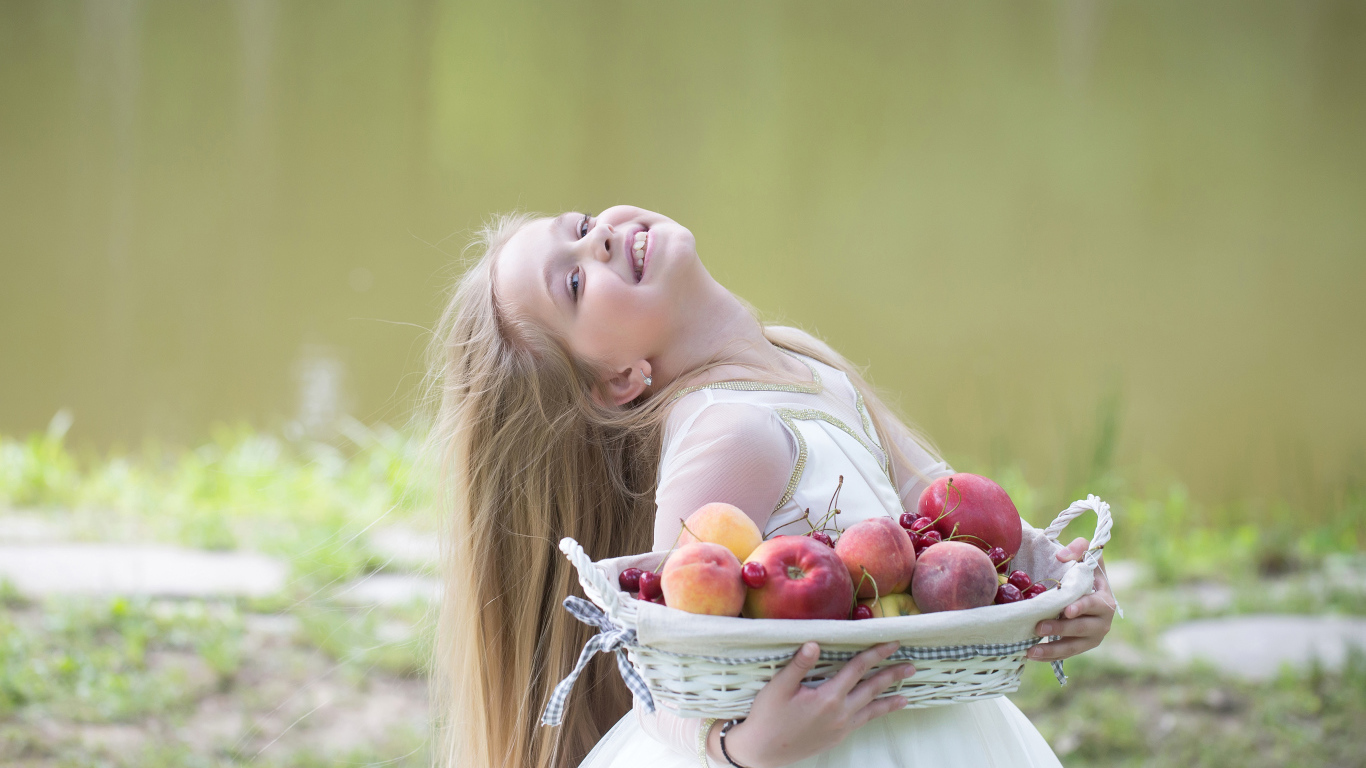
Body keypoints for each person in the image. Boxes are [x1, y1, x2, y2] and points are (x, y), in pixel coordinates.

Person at [426, 206, 1117, 768]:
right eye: (573, 284)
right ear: (619, 380)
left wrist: (1053, 575)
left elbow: (942, 514)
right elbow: (663, 657)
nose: (597, 240)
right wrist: (736, 746)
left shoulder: (801, 358)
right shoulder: (731, 434)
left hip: (928, 716)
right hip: (825, 748)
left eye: (579, 228)